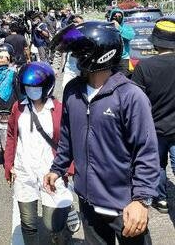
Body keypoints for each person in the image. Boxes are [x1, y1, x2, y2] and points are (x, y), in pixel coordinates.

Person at [45, 21, 159, 244]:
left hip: (124, 205)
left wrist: (141, 200)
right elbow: (67, 136)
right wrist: (57, 168)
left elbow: (146, 151)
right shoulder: (73, 91)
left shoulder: (130, 96)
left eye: (79, 52)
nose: (75, 57)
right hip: (88, 202)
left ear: (98, 54)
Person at [4, 62, 73, 245]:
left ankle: (64, 222)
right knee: (28, 222)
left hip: (51, 172)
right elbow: (11, 137)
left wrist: (69, 168)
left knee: (52, 223)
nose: (32, 90)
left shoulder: (58, 109)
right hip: (24, 171)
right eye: (29, 87)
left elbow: (69, 140)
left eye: (36, 87)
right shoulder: (18, 108)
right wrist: (8, 165)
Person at [132, 17, 175, 214]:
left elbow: (137, 102)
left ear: (155, 42)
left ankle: (162, 200)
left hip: (154, 128)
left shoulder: (144, 67)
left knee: (157, 165)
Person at [108, 9, 135, 76]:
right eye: (115, 16)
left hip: (123, 59)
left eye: (119, 16)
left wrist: (119, 28)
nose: (116, 18)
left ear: (122, 18)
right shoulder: (107, 27)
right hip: (110, 59)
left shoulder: (127, 27)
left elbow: (130, 37)